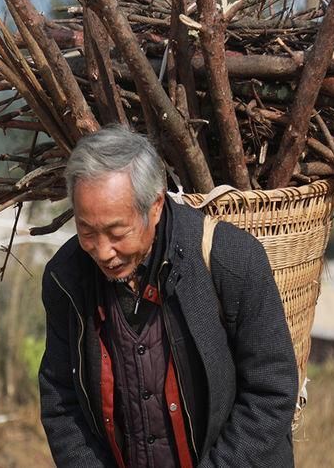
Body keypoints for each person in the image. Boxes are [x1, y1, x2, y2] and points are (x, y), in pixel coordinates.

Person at [38, 124, 298, 467]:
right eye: (87, 232)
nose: (103, 252)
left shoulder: (232, 260)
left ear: (156, 206)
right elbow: (61, 400)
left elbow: (271, 391)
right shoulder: (66, 279)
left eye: (118, 232)